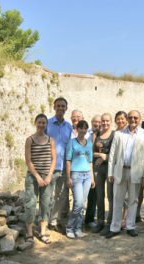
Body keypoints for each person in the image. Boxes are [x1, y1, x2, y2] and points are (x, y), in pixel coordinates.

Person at [106, 110, 144, 238]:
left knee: (133, 200)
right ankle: (114, 227)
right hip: (120, 171)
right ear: (127, 118)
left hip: (136, 172)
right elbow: (112, 155)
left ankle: (130, 226)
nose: (133, 120)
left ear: (140, 119)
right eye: (131, 117)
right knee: (117, 200)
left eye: (136, 118)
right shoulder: (118, 134)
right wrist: (110, 172)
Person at [24, 114, 56, 245]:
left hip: (47, 177)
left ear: (46, 124)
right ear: (35, 123)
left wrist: (49, 175)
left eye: (44, 123)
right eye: (39, 122)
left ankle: (43, 231)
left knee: (45, 204)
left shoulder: (50, 140)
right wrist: (37, 177)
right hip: (33, 177)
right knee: (30, 204)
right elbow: (28, 160)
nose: (41, 125)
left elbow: (54, 159)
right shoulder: (30, 140)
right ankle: (29, 233)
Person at [46, 97, 73, 232]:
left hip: (63, 168)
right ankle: (44, 220)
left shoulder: (69, 127)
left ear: (66, 108)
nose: (61, 108)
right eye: (58, 106)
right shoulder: (47, 124)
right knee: (48, 195)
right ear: (54, 107)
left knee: (61, 196)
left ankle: (54, 221)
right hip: (50, 167)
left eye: (63, 106)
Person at [65, 120, 95, 238]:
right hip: (76, 175)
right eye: (80, 128)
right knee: (78, 203)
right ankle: (69, 227)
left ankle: (78, 228)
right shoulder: (71, 143)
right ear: (76, 129)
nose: (83, 130)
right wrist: (68, 177)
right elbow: (68, 161)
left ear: (87, 130)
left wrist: (92, 178)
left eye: (85, 128)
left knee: (83, 203)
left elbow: (90, 161)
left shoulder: (89, 143)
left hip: (87, 175)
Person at [91, 113, 118, 235]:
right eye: (103, 121)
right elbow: (90, 152)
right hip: (98, 169)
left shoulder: (115, 135)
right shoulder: (96, 135)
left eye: (107, 121)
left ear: (111, 121)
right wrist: (100, 155)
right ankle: (100, 222)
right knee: (99, 195)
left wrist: (106, 157)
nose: (105, 123)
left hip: (110, 169)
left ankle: (110, 223)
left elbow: (117, 153)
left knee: (111, 196)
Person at [84, 114, 102, 227]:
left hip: (100, 166)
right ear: (91, 122)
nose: (97, 124)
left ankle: (96, 219)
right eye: (95, 122)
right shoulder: (85, 134)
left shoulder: (104, 134)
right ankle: (87, 219)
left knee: (98, 193)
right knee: (89, 193)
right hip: (86, 165)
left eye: (99, 122)